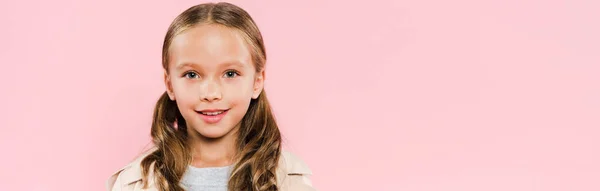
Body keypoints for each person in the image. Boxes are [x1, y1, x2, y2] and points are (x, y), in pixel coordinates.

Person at [106, 2, 316, 191]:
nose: (211, 94)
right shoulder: (134, 184)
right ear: (169, 84)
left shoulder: (289, 182)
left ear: (257, 81)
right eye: (192, 75)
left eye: (230, 74)